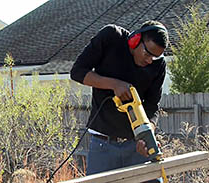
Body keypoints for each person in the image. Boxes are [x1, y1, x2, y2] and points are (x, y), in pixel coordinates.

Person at [70, 20, 169, 183]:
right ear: (136, 39)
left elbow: (152, 107)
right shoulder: (111, 38)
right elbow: (77, 72)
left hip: (135, 148)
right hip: (103, 146)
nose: (150, 60)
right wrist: (113, 84)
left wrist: (146, 134)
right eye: (148, 53)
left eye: (155, 56)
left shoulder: (158, 65)